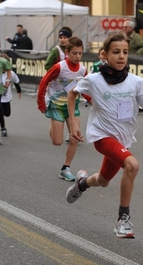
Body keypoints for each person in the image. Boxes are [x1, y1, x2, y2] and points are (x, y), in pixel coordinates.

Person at [65, 32, 143, 238]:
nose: (121, 56)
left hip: (122, 139)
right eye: (116, 52)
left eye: (125, 52)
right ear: (104, 55)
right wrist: (73, 124)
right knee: (132, 165)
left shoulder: (137, 82)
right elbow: (71, 94)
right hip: (102, 135)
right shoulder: (94, 80)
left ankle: (81, 184)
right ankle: (122, 220)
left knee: (103, 180)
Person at [37, 37, 87, 181]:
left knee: (75, 137)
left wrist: (92, 100)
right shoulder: (59, 67)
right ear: (67, 52)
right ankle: (53, 125)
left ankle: (66, 168)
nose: (77, 56)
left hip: (73, 106)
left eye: (80, 53)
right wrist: (41, 102)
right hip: (57, 105)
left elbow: (86, 87)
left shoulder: (82, 69)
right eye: (74, 53)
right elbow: (44, 82)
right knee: (57, 141)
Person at [0, 53, 22, 137]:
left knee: (7, 113)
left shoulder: (11, 73)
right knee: (1, 113)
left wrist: (19, 91)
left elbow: (16, 82)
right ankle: (3, 128)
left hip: (7, 97)